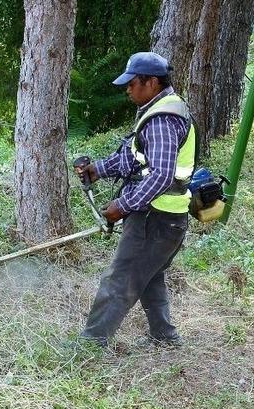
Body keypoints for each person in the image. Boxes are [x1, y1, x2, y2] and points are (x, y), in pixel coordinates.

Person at [73, 51, 196, 347]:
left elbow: (161, 175)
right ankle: (165, 337)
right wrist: (97, 169)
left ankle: (91, 344)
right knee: (150, 277)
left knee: (121, 279)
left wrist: (123, 206)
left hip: (156, 218)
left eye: (132, 83)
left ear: (151, 82)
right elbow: (134, 158)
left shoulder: (162, 119)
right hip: (168, 218)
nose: (128, 90)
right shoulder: (161, 109)